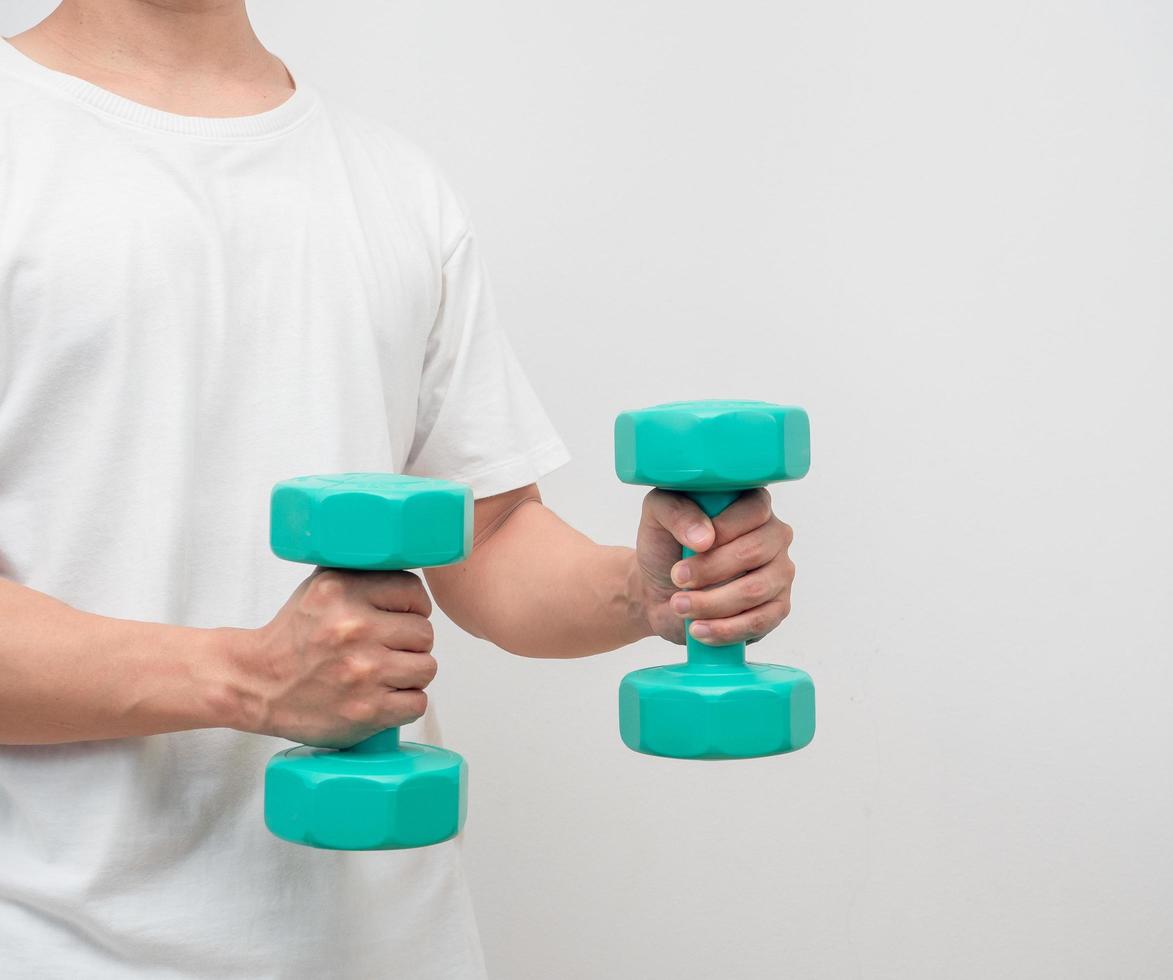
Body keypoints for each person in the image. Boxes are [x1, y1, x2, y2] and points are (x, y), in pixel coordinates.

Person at [0, 1, 799, 977]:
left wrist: (650, 590)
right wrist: (250, 675)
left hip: (390, 944)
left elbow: (492, 537)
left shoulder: (393, 185)